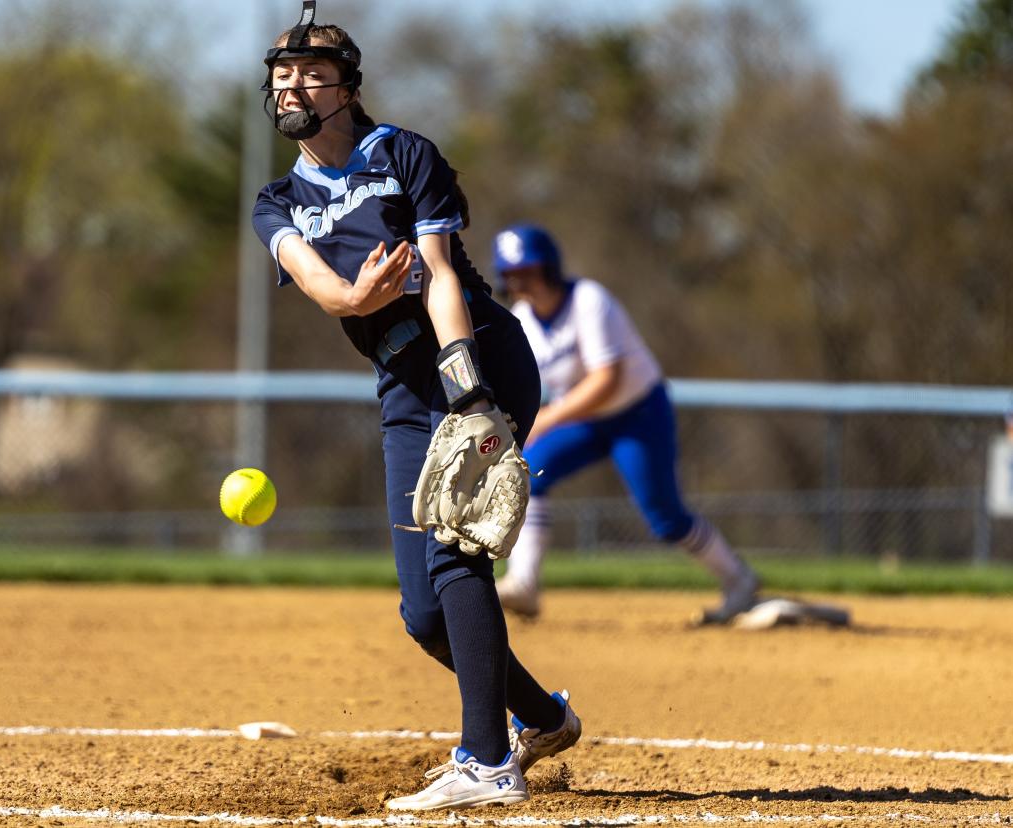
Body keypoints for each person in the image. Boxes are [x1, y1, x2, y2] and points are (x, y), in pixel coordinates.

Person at [249, 4, 580, 812]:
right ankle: (543, 719)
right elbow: (326, 288)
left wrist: (469, 390)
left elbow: (438, 273)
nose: (294, 85)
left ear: (347, 89)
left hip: (477, 355)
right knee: (424, 614)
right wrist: (354, 296)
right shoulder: (276, 198)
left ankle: (487, 761)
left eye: (313, 74)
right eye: (283, 75)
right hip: (401, 386)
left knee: (456, 550)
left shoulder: (400, 153)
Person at [490, 223, 762, 623]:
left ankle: (740, 581)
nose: (520, 283)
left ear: (550, 268)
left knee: (665, 517)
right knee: (528, 473)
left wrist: (546, 418)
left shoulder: (588, 300)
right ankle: (524, 584)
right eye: (512, 275)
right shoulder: (523, 321)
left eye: (528, 271)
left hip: (636, 413)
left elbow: (607, 380)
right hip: (583, 420)